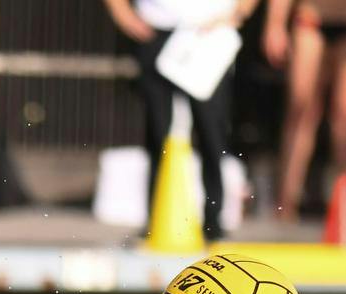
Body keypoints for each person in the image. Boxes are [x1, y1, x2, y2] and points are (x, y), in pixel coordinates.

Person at [105, 0, 265, 242]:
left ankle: (213, 220)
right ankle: (155, 218)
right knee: (158, 132)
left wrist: (239, 12)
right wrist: (122, 12)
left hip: (210, 32)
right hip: (156, 29)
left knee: (212, 130)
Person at [264, 0, 346, 220]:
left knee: (345, 119)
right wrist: (275, 25)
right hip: (310, 22)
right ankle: (285, 202)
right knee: (301, 111)